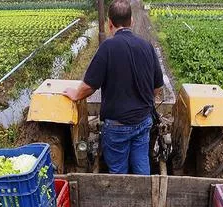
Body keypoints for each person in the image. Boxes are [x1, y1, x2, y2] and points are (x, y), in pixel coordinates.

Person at [63, 0, 163, 175]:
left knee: (118, 171)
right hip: (142, 122)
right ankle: (145, 196)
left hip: (117, 126)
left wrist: (75, 94)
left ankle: (120, 198)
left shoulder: (107, 48)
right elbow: (156, 89)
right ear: (131, 21)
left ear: (110, 24)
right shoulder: (147, 46)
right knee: (141, 166)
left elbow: (89, 87)